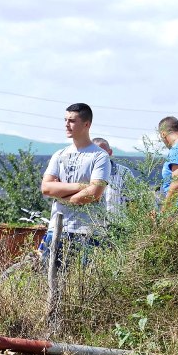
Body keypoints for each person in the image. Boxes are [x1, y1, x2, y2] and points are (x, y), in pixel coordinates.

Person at [40, 103, 110, 262]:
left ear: (86, 124)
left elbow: (94, 194)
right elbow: (46, 187)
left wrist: (61, 195)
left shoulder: (99, 156)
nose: (66, 124)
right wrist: (80, 186)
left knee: (85, 284)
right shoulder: (59, 154)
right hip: (57, 228)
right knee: (50, 281)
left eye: (72, 120)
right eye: (65, 120)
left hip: (88, 231)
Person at [92, 136, 134, 219]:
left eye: (102, 152)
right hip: (92, 226)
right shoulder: (85, 173)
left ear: (110, 152)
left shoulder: (124, 173)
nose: (99, 156)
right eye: (95, 153)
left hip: (118, 226)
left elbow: (132, 201)